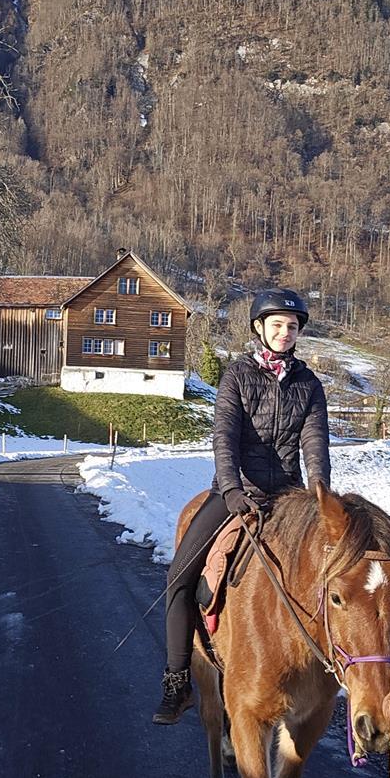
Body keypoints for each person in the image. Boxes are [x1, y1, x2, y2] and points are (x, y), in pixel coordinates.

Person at [153, 289, 331, 724]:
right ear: (259, 328)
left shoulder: (309, 386)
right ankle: (178, 683)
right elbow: (224, 438)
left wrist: (321, 496)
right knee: (178, 580)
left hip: (288, 499)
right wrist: (231, 490)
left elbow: (315, 445)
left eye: (292, 327)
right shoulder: (237, 376)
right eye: (277, 325)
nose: (285, 333)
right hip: (234, 493)